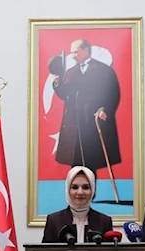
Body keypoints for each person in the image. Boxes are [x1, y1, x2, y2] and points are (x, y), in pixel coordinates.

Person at [51, 39, 121, 174]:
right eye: (71, 53)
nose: (72, 56)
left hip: (93, 121)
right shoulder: (70, 72)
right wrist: (57, 85)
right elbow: (66, 95)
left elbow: (113, 92)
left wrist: (105, 110)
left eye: (75, 52)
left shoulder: (104, 70)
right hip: (74, 124)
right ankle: (76, 186)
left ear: (86, 50)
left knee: (92, 160)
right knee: (76, 161)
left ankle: (91, 186)